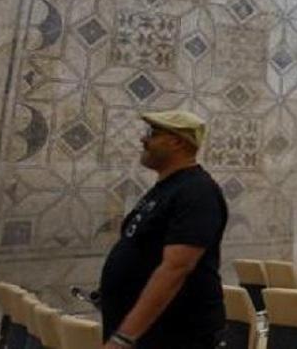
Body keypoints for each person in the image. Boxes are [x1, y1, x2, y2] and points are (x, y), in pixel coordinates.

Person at [98, 111, 228, 349]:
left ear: (177, 141)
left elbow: (176, 267)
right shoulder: (167, 188)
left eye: (152, 134)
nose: (143, 140)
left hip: (176, 335)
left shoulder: (197, 192)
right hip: (148, 333)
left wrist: (125, 337)